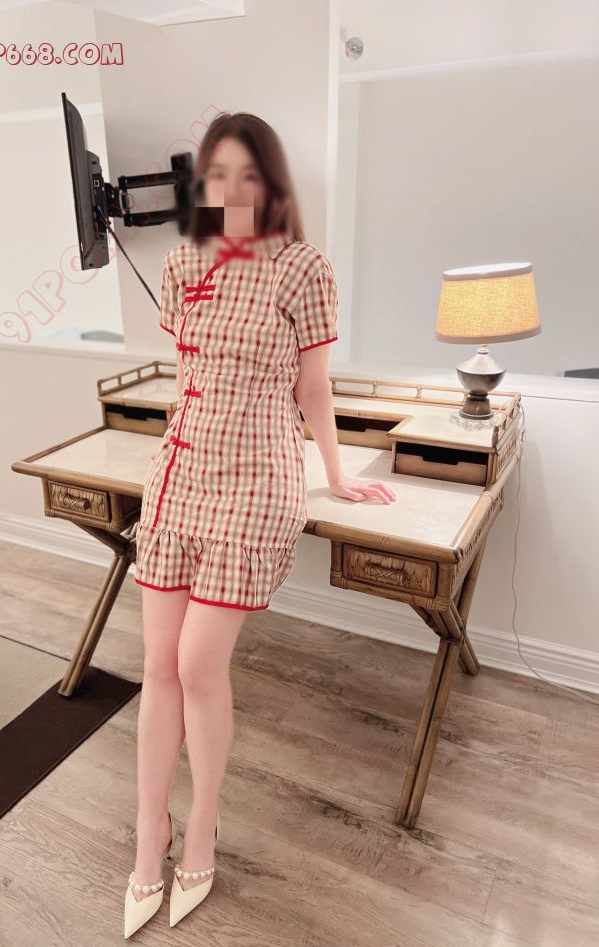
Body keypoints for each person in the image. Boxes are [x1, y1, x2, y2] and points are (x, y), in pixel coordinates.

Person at [124, 112, 396, 937]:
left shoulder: (303, 269)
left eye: (249, 175)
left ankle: (203, 825)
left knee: (198, 662)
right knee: (158, 664)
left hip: (258, 479)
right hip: (181, 472)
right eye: (219, 176)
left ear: (271, 182)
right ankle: (149, 831)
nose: (233, 191)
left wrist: (336, 473)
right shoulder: (182, 264)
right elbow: (189, 375)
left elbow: (314, 388)